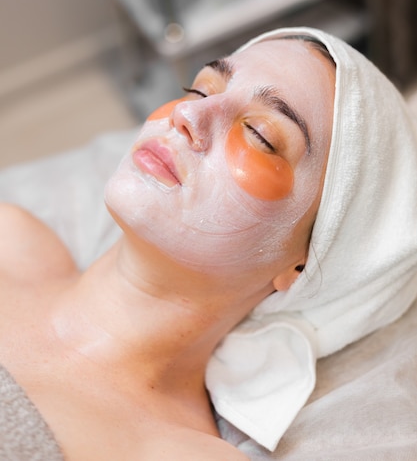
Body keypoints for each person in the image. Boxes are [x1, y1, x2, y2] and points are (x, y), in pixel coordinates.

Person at [0, 26, 417, 460]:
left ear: (303, 267)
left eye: (261, 136)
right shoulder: (10, 237)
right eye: (199, 91)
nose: (188, 117)